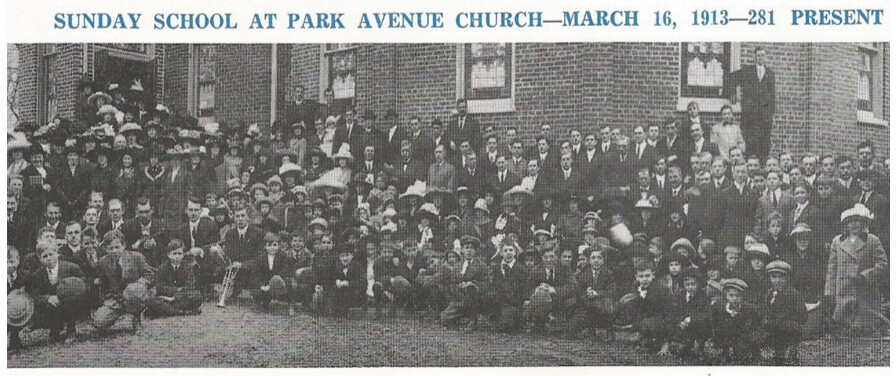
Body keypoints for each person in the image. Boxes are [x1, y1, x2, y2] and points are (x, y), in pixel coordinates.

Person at [823, 204, 889, 336]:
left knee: (865, 329)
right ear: (845, 225)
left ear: (862, 223)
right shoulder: (837, 241)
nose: (853, 225)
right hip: (843, 291)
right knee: (844, 329)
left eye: (857, 221)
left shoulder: (872, 240)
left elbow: (883, 264)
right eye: (850, 222)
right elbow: (832, 269)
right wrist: (829, 292)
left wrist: (865, 276)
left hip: (864, 291)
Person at [94, 230, 154, 333]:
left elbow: (150, 276)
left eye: (117, 247)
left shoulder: (136, 257)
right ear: (106, 249)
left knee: (133, 290)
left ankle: (136, 318)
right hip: (116, 299)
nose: (114, 251)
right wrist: (105, 300)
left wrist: (140, 284)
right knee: (99, 322)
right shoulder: (102, 263)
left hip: (134, 295)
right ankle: (118, 315)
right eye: (110, 248)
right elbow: (103, 285)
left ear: (124, 245)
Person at [26, 242, 86, 343]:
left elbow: (82, 282)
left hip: (70, 299)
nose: (49, 258)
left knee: (70, 302)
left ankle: (71, 329)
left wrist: (70, 289)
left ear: (57, 253)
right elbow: (35, 295)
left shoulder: (71, 267)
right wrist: (47, 298)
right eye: (44, 256)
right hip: (53, 303)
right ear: (40, 259)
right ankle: (55, 328)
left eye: (51, 254)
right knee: (47, 306)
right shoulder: (38, 275)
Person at [729, 46, 776, 159]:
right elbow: (730, 78)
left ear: (765, 57)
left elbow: (772, 96)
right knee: (749, 145)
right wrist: (733, 95)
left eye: (763, 55)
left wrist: (770, 113)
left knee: (764, 146)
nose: (761, 57)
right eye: (758, 55)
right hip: (749, 117)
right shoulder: (747, 71)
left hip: (764, 119)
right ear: (755, 57)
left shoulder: (770, 74)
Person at [762, 260, 808, 365]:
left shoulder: (793, 294)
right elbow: (766, 310)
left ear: (787, 278)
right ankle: (775, 352)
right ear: (769, 278)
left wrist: (788, 323)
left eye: (781, 277)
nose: (777, 281)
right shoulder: (769, 293)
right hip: (773, 330)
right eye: (773, 277)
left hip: (788, 330)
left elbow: (803, 316)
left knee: (787, 358)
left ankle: (788, 352)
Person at [567, 246, 616, 340]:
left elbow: (612, 292)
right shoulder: (583, 275)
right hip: (587, 306)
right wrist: (587, 293)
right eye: (593, 258)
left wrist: (597, 293)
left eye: (599, 258)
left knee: (608, 304)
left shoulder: (608, 274)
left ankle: (606, 329)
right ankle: (589, 328)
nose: (596, 261)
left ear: (603, 260)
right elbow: (578, 293)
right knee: (571, 329)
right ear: (589, 260)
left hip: (602, 304)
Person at [711, 278, 763, 364]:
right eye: (731, 295)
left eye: (738, 295)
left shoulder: (750, 310)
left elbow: (754, 328)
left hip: (743, 342)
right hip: (724, 341)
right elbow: (716, 327)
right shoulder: (718, 308)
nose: (734, 298)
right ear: (725, 295)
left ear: (743, 296)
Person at [146, 240, 202, 317]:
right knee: (151, 301)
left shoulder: (188, 267)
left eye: (179, 253)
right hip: (167, 299)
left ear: (183, 255)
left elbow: (190, 286)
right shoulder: (162, 268)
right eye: (174, 253)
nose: (177, 256)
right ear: (168, 255)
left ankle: (167, 311)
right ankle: (183, 312)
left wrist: (175, 297)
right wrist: (173, 294)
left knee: (197, 296)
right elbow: (160, 287)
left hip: (180, 298)